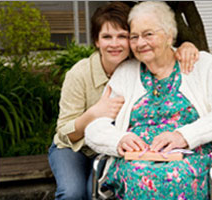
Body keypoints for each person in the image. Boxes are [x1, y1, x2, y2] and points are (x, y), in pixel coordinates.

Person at [85, 1, 212, 199]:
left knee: (175, 176)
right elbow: (95, 127)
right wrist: (119, 140)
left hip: (190, 156)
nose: (140, 43)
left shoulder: (201, 64)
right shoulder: (126, 73)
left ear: (169, 35)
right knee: (137, 174)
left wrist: (183, 136)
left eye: (148, 34)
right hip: (134, 160)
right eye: (134, 37)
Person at [48, 2, 199, 200]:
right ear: (96, 41)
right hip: (74, 147)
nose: (115, 44)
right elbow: (64, 133)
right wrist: (94, 113)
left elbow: (163, 49)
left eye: (123, 36)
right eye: (107, 37)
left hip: (112, 146)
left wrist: (187, 47)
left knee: (98, 189)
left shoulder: (141, 65)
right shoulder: (80, 74)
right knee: (73, 193)